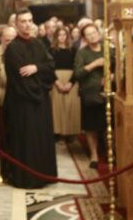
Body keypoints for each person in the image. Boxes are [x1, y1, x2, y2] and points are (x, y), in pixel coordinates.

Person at [3, 8, 57, 188]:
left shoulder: (39, 44)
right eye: (23, 21)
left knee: (42, 139)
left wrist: (36, 68)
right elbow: (20, 77)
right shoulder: (13, 48)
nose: (27, 25)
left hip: (41, 102)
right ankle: (28, 179)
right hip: (23, 103)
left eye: (29, 21)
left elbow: (50, 66)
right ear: (16, 24)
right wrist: (39, 86)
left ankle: (45, 176)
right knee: (27, 141)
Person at [73, 24, 107, 168]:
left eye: (94, 33)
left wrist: (112, 76)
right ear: (85, 38)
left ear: (99, 33)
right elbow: (77, 73)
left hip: (108, 93)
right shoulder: (82, 53)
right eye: (88, 34)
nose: (92, 36)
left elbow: (118, 67)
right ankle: (94, 155)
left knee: (107, 124)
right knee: (91, 125)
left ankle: (111, 151)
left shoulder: (108, 49)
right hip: (89, 95)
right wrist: (94, 64)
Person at [49, 27, 81, 139]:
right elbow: (49, 68)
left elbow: (77, 67)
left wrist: (71, 83)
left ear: (67, 36)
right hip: (56, 80)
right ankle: (58, 134)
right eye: (59, 35)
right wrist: (57, 82)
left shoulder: (73, 50)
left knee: (71, 106)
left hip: (70, 80)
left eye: (64, 35)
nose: (62, 37)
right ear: (56, 37)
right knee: (57, 107)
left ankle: (71, 134)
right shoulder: (51, 51)